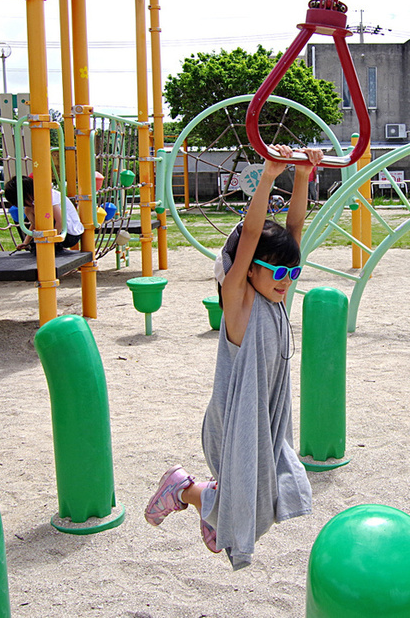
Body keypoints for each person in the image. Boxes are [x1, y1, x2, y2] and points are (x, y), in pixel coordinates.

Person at [145, 145, 324, 569]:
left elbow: (293, 232)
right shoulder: (240, 301)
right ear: (249, 271)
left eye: (293, 273)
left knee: (266, 492)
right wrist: (267, 178)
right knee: (250, 496)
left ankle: (211, 508)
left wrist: (301, 177)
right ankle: (184, 490)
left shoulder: (277, 295)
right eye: (280, 272)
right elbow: (249, 241)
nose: (288, 281)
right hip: (236, 416)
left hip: (265, 414)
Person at [3, 175, 84, 252]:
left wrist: (53, 241)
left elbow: (60, 221)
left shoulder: (48, 196)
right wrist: (26, 242)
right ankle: (50, 245)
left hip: (70, 234)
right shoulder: (31, 206)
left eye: (23, 202)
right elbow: (35, 225)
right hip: (59, 231)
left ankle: (55, 245)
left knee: (37, 213)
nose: (24, 205)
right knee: (28, 211)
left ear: (27, 194)